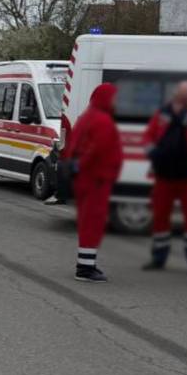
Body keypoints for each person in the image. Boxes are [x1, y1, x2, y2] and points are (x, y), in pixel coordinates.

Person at [60, 82, 122, 282]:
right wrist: (85, 166)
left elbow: (72, 145)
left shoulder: (86, 117)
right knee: (93, 222)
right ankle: (86, 268)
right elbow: (97, 149)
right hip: (96, 178)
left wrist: (76, 167)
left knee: (88, 221)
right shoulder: (103, 120)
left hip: (86, 178)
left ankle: (86, 264)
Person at [141, 80, 187, 272]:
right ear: (177, 95)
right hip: (164, 176)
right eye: (184, 97)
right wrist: (153, 153)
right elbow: (148, 137)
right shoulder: (162, 113)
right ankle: (159, 258)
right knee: (160, 218)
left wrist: (183, 113)